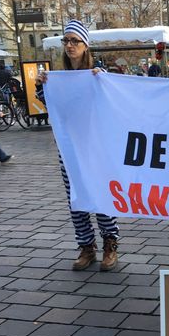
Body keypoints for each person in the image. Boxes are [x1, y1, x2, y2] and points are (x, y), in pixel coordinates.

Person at [35, 19, 121, 271]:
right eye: (66, 40)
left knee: (100, 194)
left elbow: (111, 102)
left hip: (95, 147)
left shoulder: (98, 72)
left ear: (86, 45)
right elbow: (54, 107)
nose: (70, 45)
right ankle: (85, 246)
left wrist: (103, 81)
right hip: (69, 148)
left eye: (75, 40)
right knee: (76, 197)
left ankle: (110, 243)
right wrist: (42, 88)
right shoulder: (58, 77)